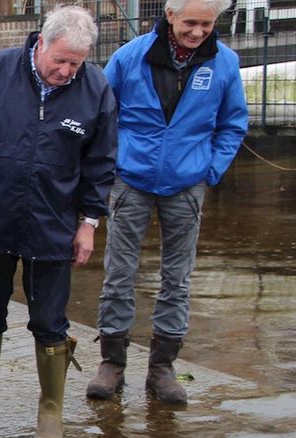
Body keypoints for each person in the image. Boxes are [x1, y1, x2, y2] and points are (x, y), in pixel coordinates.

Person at [0, 4, 118, 438]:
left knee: (50, 320)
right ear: (41, 43)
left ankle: (50, 409)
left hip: (53, 226)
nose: (66, 71)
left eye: (76, 63)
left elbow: (100, 163)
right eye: (60, 60)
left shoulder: (95, 89)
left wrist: (88, 223)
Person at [87, 0, 248, 404]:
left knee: (178, 278)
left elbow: (233, 122)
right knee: (119, 273)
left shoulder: (224, 64)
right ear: (171, 15)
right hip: (131, 180)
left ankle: (162, 367)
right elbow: (102, 114)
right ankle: (113, 363)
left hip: (187, 182)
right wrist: (114, 164)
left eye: (207, 24)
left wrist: (211, 168)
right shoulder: (129, 57)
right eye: (191, 22)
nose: (198, 32)